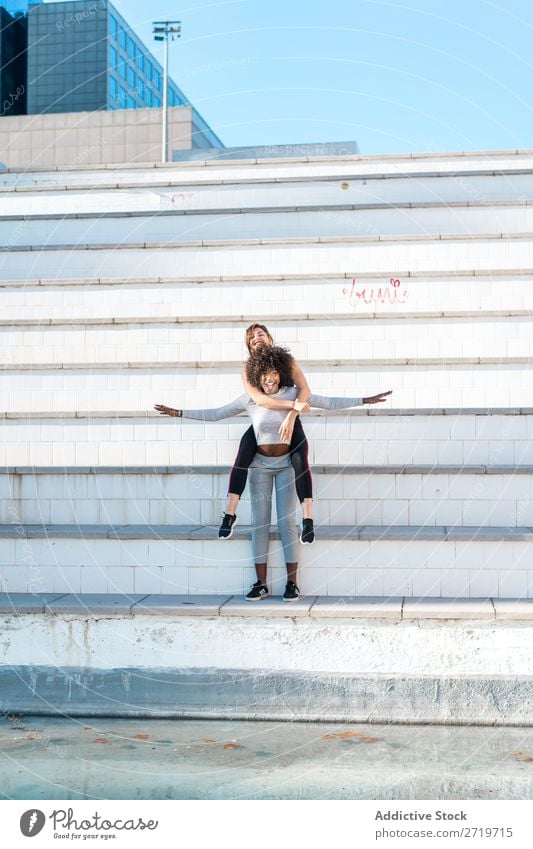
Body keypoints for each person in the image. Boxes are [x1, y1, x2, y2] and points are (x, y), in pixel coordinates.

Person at [154, 347, 392, 601]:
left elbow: (329, 402)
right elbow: (215, 414)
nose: (269, 378)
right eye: (264, 374)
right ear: (258, 376)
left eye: (274, 374)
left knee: (286, 523)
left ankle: (292, 584)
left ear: (280, 375)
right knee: (260, 525)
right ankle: (260, 583)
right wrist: (179, 412)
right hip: (260, 467)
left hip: (285, 466)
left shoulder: (292, 395)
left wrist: (365, 400)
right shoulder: (250, 400)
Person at [219, 323, 315, 545]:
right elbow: (261, 400)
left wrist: (292, 414)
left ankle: (308, 520)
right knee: (242, 454)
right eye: (251, 339)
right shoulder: (247, 369)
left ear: (270, 337)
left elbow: (305, 389)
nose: (256, 339)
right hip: (261, 423)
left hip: (287, 421)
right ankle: (230, 514)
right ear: (250, 347)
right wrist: (179, 413)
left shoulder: (286, 361)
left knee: (301, 460)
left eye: (260, 334)